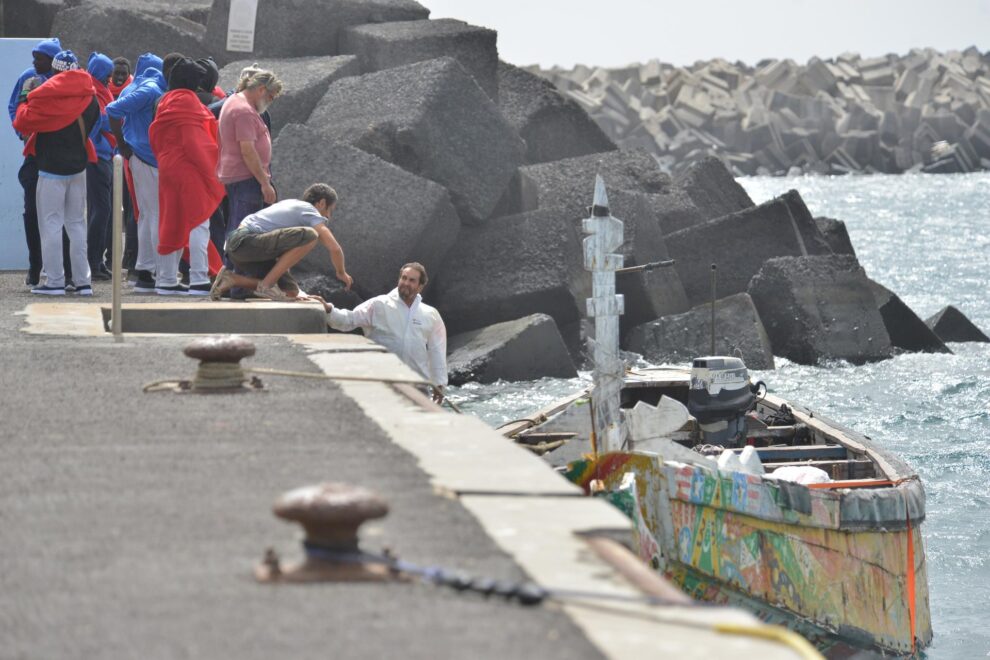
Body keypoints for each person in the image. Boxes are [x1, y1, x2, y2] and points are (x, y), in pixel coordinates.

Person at [13, 50, 100, 296]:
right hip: (79, 168)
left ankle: (55, 281)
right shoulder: (91, 97)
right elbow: (94, 125)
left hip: (51, 169)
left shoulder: (45, 97)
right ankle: (83, 282)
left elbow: (22, 122)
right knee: (76, 224)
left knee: (51, 224)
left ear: (56, 72)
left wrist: (24, 96)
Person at [149, 58, 226, 296]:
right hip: (189, 169)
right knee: (198, 223)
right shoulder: (190, 103)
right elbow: (196, 144)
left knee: (171, 221)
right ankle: (199, 278)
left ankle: (167, 279)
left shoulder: (164, 101)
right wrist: (216, 173)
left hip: (167, 167)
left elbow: (155, 136)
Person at [323, 263, 448, 401]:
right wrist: (329, 309)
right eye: (404, 278)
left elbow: (437, 350)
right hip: (382, 382)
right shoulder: (378, 304)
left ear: (420, 286)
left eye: (412, 280)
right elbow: (349, 320)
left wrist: (439, 383)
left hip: (418, 385)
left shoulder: (430, 314)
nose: (406, 283)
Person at [209, 183, 351, 302]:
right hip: (245, 242)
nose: (328, 217)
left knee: (290, 292)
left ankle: (232, 279)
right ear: (322, 203)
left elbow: (282, 254)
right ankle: (266, 286)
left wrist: (300, 293)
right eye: (330, 210)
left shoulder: (290, 206)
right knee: (311, 235)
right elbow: (334, 248)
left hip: (241, 249)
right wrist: (341, 273)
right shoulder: (309, 210)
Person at [105, 52, 165, 293]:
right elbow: (112, 109)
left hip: (137, 156)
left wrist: (123, 144)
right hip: (146, 156)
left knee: (145, 214)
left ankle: (143, 270)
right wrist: (121, 144)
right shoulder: (150, 89)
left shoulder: (136, 85)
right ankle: (154, 271)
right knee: (154, 214)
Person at [8, 37, 62, 287]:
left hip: (60, 157)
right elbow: (14, 107)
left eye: (39, 57)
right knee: (31, 212)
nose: (34, 61)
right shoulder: (28, 77)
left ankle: (61, 271)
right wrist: (23, 133)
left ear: (53, 60)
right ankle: (35, 265)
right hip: (34, 156)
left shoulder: (66, 80)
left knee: (60, 215)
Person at [216, 68, 281, 238]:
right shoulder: (244, 111)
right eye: (270, 97)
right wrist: (265, 183)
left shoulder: (234, 101)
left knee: (236, 226)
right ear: (261, 90)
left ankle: (229, 264)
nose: (269, 102)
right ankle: (234, 265)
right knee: (243, 232)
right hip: (246, 178)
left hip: (240, 176)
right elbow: (248, 151)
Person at [85, 52, 116, 280]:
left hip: (104, 157)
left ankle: (97, 260)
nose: (110, 78)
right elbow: (104, 119)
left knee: (102, 211)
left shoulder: (99, 90)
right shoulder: (92, 93)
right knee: (102, 210)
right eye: (108, 73)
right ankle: (93, 262)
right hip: (96, 158)